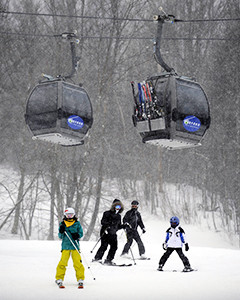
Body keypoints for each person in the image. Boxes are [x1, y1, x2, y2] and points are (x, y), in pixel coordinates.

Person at [55, 207, 85, 288]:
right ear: (65, 215)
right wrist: (61, 231)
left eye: (71, 214)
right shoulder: (63, 224)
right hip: (66, 246)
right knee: (63, 263)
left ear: (74, 215)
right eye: (68, 215)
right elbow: (60, 236)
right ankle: (59, 278)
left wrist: (77, 235)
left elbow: (81, 233)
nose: (69, 216)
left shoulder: (77, 223)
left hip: (75, 246)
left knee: (77, 263)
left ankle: (80, 278)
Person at [93, 199, 124, 265]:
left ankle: (109, 260)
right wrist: (109, 224)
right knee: (104, 245)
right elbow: (102, 222)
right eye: (116, 206)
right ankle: (97, 258)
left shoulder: (119, 216)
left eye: (119, 207)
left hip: (113, 233)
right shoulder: (107, 213)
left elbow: (118, 226)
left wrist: (124, 226)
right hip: (105, 232)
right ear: (113, 207)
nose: (117, 208)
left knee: (114, 246)